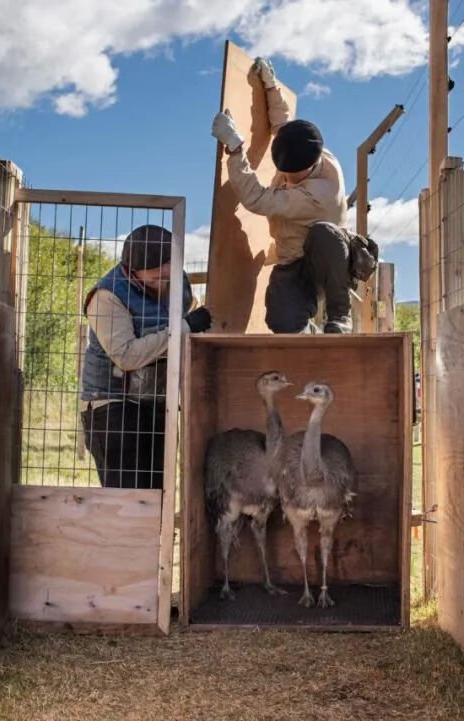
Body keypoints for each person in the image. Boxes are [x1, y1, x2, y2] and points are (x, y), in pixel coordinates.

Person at [211, 57, 362, 334]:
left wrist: (234, 149)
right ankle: (309, 331)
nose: (287, 180)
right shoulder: (304, 149)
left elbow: (256, 199)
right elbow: (284, 126)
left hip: (325, 266)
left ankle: (340, 314)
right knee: (281, 322)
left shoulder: (320, 193)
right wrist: (269, 86)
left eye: (295, 175)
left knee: (324, 234)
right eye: (284, 173)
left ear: (313, 165)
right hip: (292, 258)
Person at [80, 224, 213, 489]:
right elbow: (126, 356)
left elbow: (191, 311)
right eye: (154, 280)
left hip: (155, 402)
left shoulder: (178, 281)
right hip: (113, 407)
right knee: (125, 500)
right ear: (132, 273)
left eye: (168, 276)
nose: (163, 284)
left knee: (157, 497)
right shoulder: (107, 296)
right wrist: (185, 328)